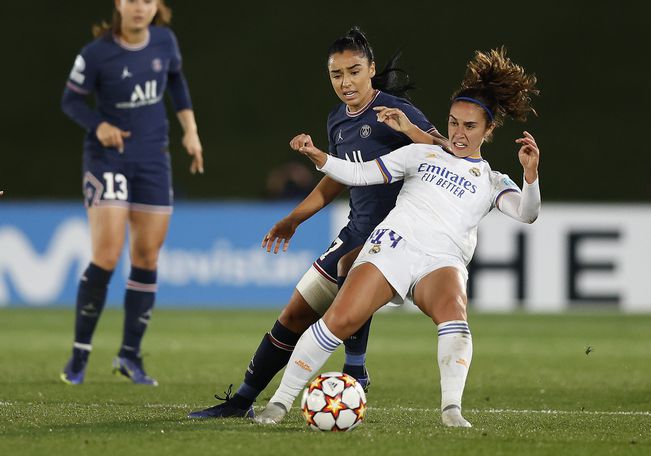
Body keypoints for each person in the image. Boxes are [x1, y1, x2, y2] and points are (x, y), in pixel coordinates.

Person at [254, 47, 541, 427]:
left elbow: (527, 213)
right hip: (392, 247)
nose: (458, 133)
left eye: (469, 127)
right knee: (338, 321)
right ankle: (279, 403)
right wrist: (318, 156)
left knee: (455, 312)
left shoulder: (492, 181)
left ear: (489, 131)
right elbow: (358, 174)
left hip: (441, 259)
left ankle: (452, 411)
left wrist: (530, 175)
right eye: (453, 123)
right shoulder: (422, 154)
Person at [188, 27, 442, 418]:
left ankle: (356, 368)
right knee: (292, 315)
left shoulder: (395, 110)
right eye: (336, 75)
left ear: (371, 69)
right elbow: (337, 179)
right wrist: (294, 218)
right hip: (356, 230)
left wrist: (409, 130)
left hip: (397, 235)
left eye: (354, 71)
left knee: (349, 267)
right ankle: (240, 401)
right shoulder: (338, 120)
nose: (346, 82)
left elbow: (444, 152)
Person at [60, 0, 204, 386]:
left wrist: (189, 130)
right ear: (118, 5)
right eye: (131, 0)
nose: (139, 8)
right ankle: (79, 355)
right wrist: (98, 124)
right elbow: (70, 100)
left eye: (146, 0)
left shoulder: (165, 41)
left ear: (156, 5)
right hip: (109, 159)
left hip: (153, 161)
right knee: (107, 255)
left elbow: (176, 80)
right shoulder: (96, 54)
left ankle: (129, 356)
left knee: (146, 257)